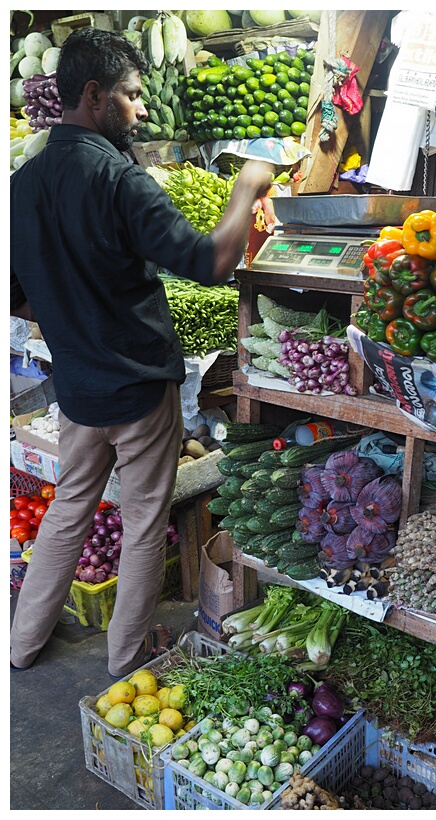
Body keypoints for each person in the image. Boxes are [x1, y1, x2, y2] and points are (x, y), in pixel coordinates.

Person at [9, 27, 274, 679]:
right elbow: (212, 263)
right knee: (143, 521)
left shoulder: (23, 183)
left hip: (77, 390)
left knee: (70, 511)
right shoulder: (121, 180)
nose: (143, 107)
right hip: (137, 388)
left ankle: (19, 644)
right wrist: (247, 188)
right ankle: (126, 657)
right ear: (94, 96)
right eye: (131, 96)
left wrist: (75, 318)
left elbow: (18, 299)